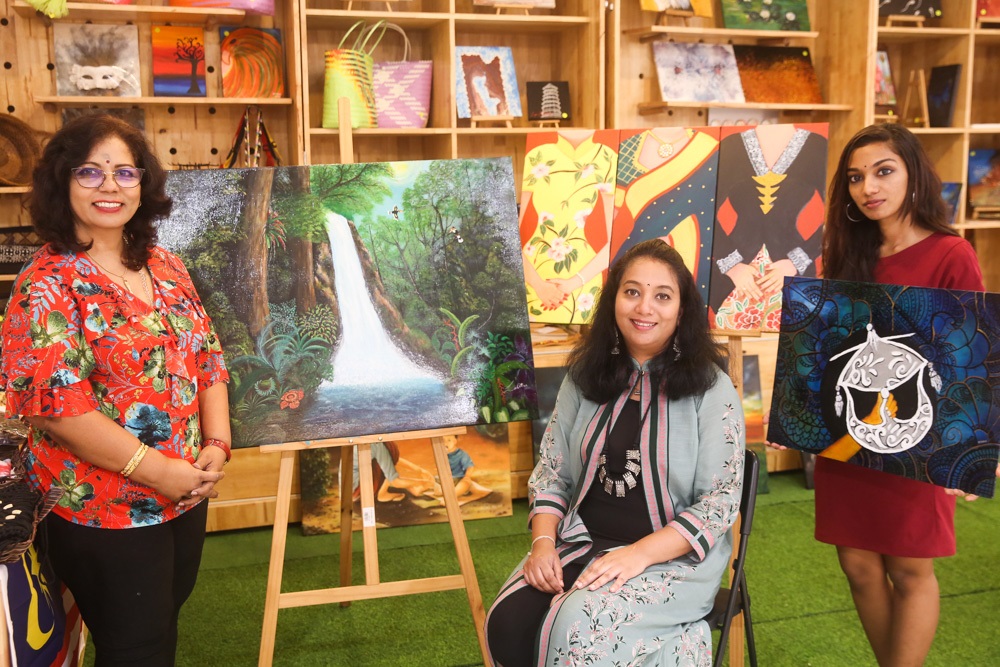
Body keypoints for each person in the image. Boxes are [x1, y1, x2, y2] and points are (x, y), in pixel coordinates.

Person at [0, 114, 231, 666]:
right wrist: (160, 473)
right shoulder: (47, 282)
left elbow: (208, 359)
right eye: (91, 172)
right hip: (105, 509)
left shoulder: (165, 264)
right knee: (134, 647)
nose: (110, 186)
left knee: (161, 626)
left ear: (143, 185)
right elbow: (60, 410)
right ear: (62, 182)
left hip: (186, 491)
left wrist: (217, 446)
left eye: (126, 172)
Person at [485, 239, 745, 666]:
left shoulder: (711, 389)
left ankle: (680, 642)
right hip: (581, 542)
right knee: (507, 620)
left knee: (577, 626)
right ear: (614, 300)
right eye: (632, 292)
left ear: (682, 310)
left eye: (663, 296)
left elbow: (719, 503)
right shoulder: (584, 376)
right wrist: (544, 544)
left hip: (672, 558)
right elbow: (553, 471)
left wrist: (637, 554)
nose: (645, 308)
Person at [791, 122, 989, 667]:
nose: (868, 187)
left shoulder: (952, 254)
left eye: (883, 171)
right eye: (855, 178)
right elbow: (826, 346)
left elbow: (968, 355)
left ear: (913, 174)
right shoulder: (844, 254)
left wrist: (965, 448)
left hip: (917, 432)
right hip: (849, 436)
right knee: (856, 565)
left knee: (909, 567)